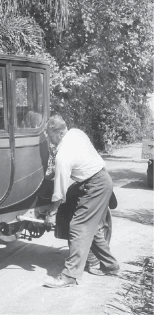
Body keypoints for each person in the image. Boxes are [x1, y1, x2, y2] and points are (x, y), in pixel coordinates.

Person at [43, 115, 119, 288]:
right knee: (91, 227)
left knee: (78, 226)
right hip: (100, 178)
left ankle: (70, 276)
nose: (49, 138)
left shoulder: (63, 155)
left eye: (50, 134)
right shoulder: (76, 133)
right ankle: (111, 266)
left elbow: (59, 193)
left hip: (95, 185)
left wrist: (51, 213)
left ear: (60, 132)